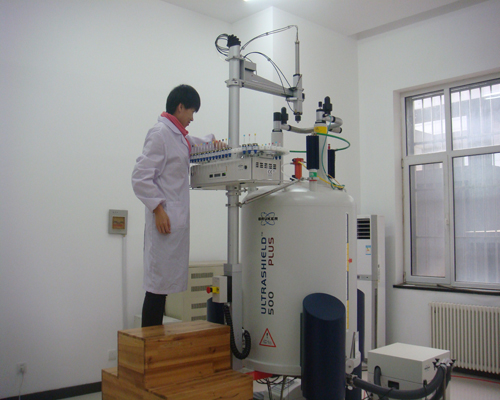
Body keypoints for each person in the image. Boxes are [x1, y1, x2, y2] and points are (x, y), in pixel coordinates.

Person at [132, 84, 215, 327]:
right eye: (191, 111)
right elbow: (140, 177)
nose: (192, 118)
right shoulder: (160, 134)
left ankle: (155, 341)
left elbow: (194, 144)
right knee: (156, 289)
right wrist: (158, 209)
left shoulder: (178, 136)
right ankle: (149, 342)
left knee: (162, 288)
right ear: (180, 107)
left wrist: (215, 144)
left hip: (173, 223)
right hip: (164, 221)